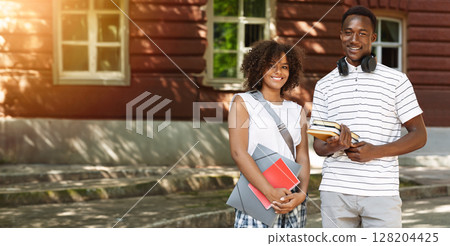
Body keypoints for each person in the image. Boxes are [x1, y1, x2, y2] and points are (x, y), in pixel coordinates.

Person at [310, 6, 427, 228]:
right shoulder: (324, 85)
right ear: (340, 34)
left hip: (381, 193)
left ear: (373, 37)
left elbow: (419, 136)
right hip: (336, 193)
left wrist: (375, 152)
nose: (354, 39)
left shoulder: (397, 81)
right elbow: (318, 146)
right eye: (348, 32)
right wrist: (335, 146)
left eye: (362, 33)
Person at [228, 40, 311, 228]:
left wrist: (302, 194)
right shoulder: (243, 102)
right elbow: (238, 152)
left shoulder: (297, 110)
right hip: (257, 196)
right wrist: (269, 191)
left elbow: (303, 156)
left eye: (284, 67)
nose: (278, 71)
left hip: (292, 199)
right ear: (258, 67)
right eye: (271, 65)